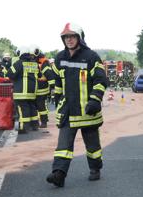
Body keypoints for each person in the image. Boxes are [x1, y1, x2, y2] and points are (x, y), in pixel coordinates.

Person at [46, 23, 108, 188]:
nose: (69, 40)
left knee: (93, 146)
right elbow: (57, 80)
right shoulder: (60, 58)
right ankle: (59, 174)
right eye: (66, 37)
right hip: (68, 110)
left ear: (79, 38)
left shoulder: (91, 57)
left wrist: (95, 99)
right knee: (63, 145)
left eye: (72, 36)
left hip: (88, 111)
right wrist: (58, 97)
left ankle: (95, 168)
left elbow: (101, 80)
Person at [7, 47, 40, 134]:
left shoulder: (19, 63)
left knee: (22, 110)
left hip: (21, 92)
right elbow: (39, 75)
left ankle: (23, 128)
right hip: (32, 92)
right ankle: (35, 125)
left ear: (20, 53)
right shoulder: (35, 64)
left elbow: (10, 74)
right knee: (32, 108)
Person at [36, 50, 56, 128]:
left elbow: (49, 75)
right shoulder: (35, 62)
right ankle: (36, 123)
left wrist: (52, 87)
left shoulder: (44, 62)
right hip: (34, 88)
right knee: (36, 106)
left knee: (41, 106)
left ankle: (44, 122)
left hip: (42, 88)